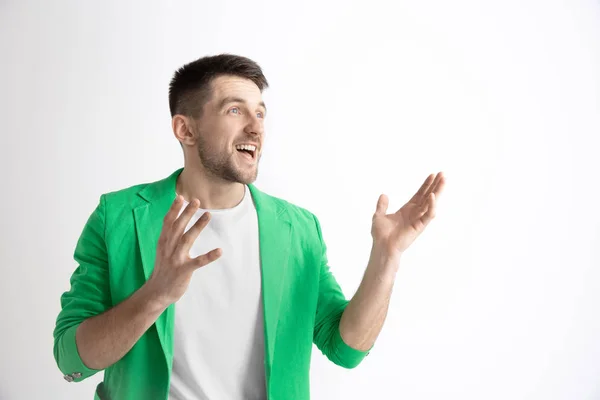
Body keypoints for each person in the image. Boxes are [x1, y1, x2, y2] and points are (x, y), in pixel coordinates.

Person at [52, 53, 445, 400]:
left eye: (260, 112)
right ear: (185, 130)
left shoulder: (298, 228)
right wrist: (156, 294)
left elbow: (346, 347)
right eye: (235, 110)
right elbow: (71, 358)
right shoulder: (118, 216)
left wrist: (387, 256)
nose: (256, 128)